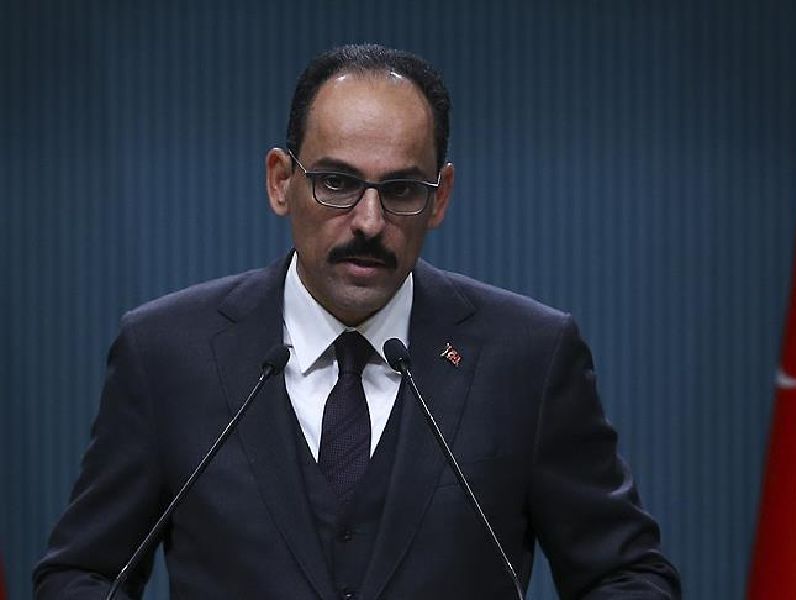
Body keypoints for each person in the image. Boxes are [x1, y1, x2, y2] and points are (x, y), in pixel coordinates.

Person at [34, 44, 681, 599]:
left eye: (400, 190)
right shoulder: (168, 353)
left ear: (439, 198)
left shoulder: (527, 357)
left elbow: (627, 576)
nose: (369, 222)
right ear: (280, 181)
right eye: (338, 183)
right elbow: (83, 574)